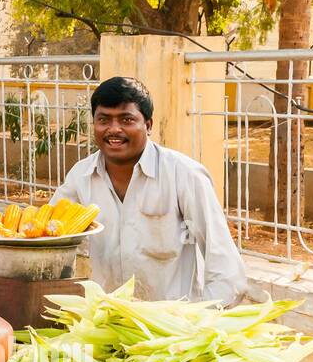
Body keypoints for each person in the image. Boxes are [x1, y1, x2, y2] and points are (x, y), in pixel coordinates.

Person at [52, 76, 246, 305]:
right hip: (109, 322)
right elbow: (50, 236)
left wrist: (200, 321)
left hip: (173, 329)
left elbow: (226, 270)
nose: (114, 129)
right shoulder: (81, 176)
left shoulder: (184, 175)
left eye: (126, 119)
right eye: (104, 119)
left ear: (149, 125)